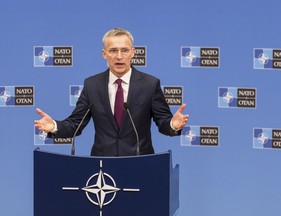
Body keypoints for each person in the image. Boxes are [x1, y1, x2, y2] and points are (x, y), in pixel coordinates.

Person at [34, 28, 189, 156]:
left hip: (140, 165)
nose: (119, 56)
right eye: (113, 50)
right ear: (104, 54)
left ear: (133, 53)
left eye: (124, 50)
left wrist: (173, 125)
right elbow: (75, 124)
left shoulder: (150, 84)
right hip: (101, 166)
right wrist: (54, 126)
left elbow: (163, 122)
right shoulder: (92, 85)